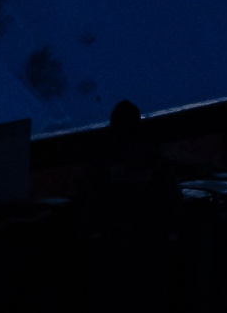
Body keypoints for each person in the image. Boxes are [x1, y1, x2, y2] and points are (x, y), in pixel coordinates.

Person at [75, 100, 183, 313]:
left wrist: (91, 235)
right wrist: (173, 234)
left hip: (113, 249)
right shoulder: (156, 160)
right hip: (152, 247)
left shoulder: (102, 162)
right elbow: (172, 199)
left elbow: (89, 200)